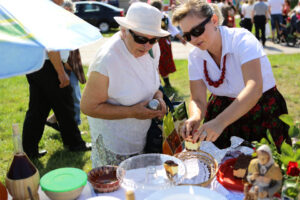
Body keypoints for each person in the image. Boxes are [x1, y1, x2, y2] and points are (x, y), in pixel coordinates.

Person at [172, 0, 291, 150]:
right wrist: (195, 116)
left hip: (260, 109)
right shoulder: (195, 56)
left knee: (262, 167)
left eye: (197, 31)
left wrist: (220, 122)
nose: (193, 40)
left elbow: (254, 88)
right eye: (187, 36)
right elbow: (197, 99)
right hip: (221, 110)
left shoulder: (242, 39)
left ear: (214, 20)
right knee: (223, 167)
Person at [80, 2, 168, 167]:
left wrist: (159, 97)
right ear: (124, 31)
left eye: (153, 39)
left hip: (141, 136)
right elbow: (88, 107)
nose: (147, 45)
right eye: (141, 39)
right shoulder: (108, 59)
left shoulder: (151, 49)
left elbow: (154, 82)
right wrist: (131, 112)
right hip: (114, 144)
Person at [22, 0, 91, 159]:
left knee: (38, 109)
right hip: (48, 66)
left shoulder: (40, 9)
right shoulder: (49, 12)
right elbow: (51, 46)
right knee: (65, 105)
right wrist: (60, 72)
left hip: (36, 65)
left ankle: (29, 150)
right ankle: (75, 143)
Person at [46, 0, 86, 131]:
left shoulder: (71, 25)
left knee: (71, 98)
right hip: (64, 67)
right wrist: (65, 64)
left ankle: (56, 121)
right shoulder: (57, 25)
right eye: (65, 11)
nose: (68, 13)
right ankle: (75, 127)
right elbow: (56, 49)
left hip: (71, 66)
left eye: (70, 11)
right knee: (72, 98)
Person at [150, 0, 186, 87]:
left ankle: (161, 83)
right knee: (161, 62)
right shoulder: (164, 17)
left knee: (157, 62)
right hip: (162, 42)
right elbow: (173, 29)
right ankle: (164, 83)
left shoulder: (153, 17)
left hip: (154, 42)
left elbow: (172, 29)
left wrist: (181, 38)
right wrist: (181, 38)